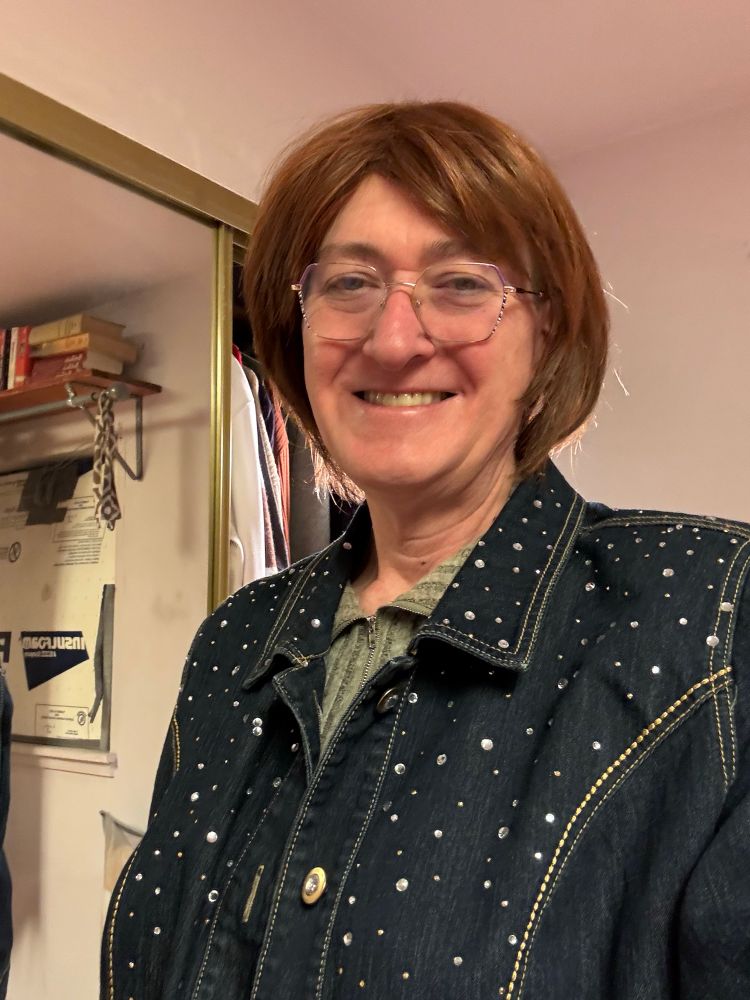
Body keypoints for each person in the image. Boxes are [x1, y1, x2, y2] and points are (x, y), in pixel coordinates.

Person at [102, 101, 749, 999]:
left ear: (547, 330)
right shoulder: (233, 643)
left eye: (460, 284)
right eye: (349, 284)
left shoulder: (714, 627)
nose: (395, 338)